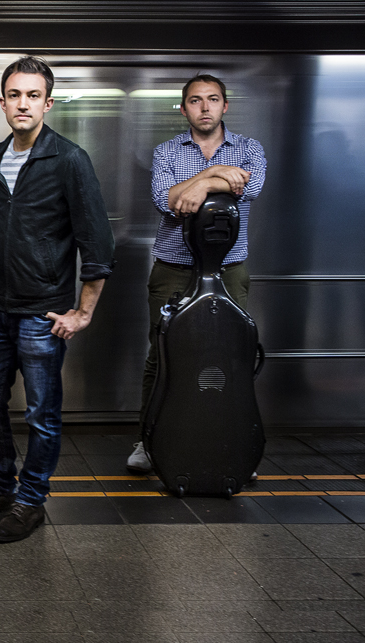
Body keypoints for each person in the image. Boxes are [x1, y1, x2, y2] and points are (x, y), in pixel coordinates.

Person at [0, 56, 115, 543]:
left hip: (41, 311)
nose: (22, 104)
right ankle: (0, 487)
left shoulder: (69, 159)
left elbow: (97, 242)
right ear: (2, 102)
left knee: (41, 414)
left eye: (32, 95)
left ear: (47, 103)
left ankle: (31, 500)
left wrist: (82, 311)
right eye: (14, 95)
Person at [126, 74, 266, 473]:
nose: (205, 107)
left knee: (232, 354)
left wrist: (195, 187)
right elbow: (165, 200)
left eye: (213, 99)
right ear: (183, 107)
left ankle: (235, 440)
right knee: (163, 355)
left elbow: (248, 189)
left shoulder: (251, 149)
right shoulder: (166, 150)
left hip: (229, 269)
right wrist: (218, 173)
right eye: (195, 100)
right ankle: (149, 441)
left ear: (225, 106)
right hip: (173, 269)